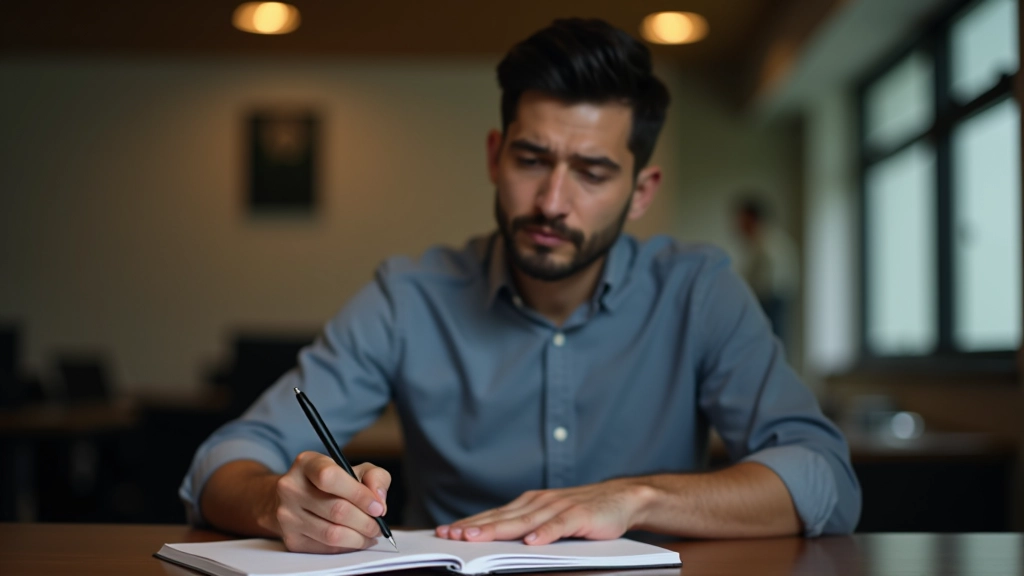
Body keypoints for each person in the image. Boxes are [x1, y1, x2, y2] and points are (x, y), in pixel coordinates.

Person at [180, 18, 860, 553]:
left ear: (642, 190)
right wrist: (278, 502)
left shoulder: (698, 291)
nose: (553, 202)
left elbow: (823, 477)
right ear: (494, 156)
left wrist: (639, 497)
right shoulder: (409, 295)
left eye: (592, 173)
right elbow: (226, 459)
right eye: (532, 159)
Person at [733, 195, 800, 347]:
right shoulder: (767, 242)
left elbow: (767, 284)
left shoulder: (768, 244)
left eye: (742, 220)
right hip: (768, 303)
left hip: (769, 305)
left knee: (770, 349)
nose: (738, 226)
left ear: (752, 219)